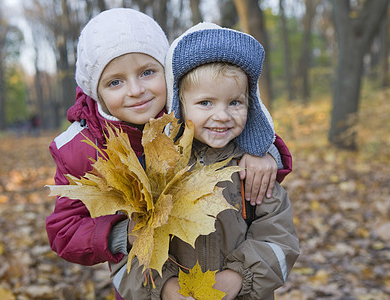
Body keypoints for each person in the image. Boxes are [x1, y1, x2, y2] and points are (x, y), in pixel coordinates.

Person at [46, 8, 292, 300]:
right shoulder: (82, 148)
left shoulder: (190, 121)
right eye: (115, 82)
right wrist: (126, 238)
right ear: (96, 90)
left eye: (148, 72)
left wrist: (264, 152)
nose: (136, 90)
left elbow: (232, 108)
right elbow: (68, 232)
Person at [112, 22, 300, 300]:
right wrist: (165, 288)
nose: (222, 115)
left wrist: (239, 277)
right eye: (206, 103)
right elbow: (128, 248)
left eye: (234, 102)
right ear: (180, 105)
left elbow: (279, 238)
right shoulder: (155, 171)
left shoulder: (252, 171)